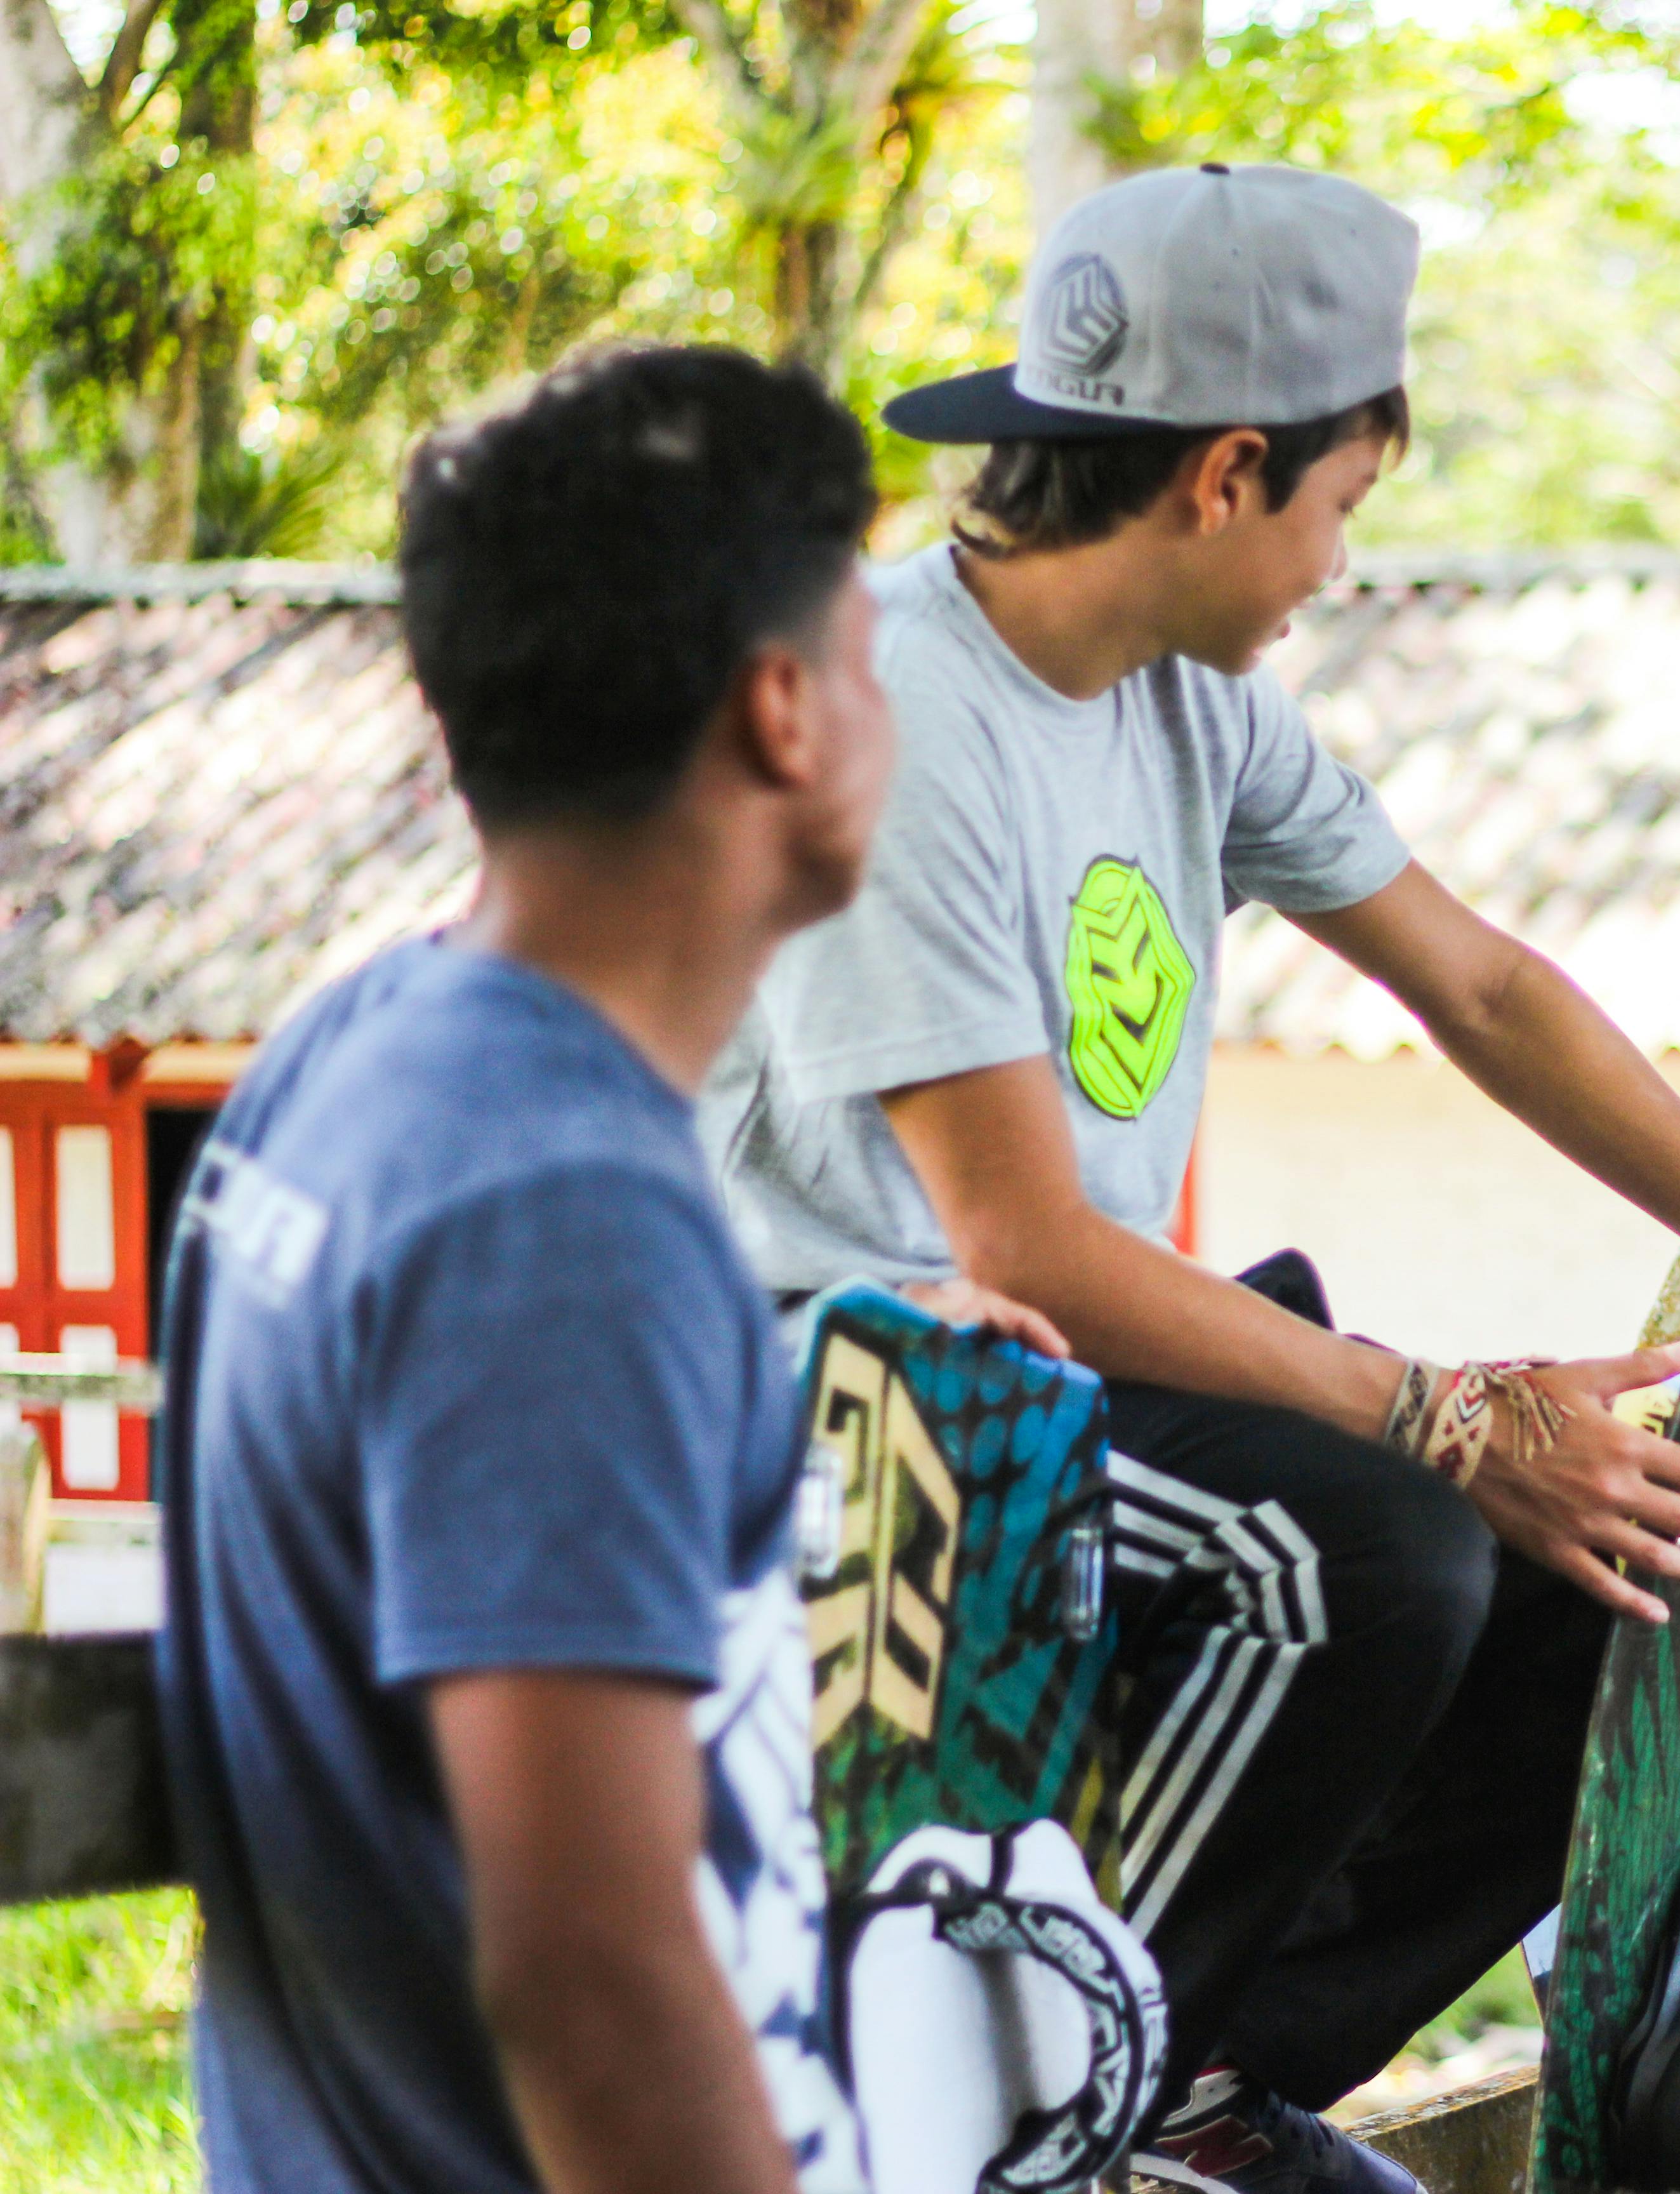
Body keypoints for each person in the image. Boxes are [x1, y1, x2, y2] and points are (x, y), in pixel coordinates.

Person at [701, 161, 1680, 2193]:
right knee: (1377, 1551)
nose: (1341, 561)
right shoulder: (897, 716)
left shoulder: (1190, 707)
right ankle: (1042, 2104)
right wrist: (1447, 1415)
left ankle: (1195, 2080)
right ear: (1228, 475)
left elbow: (1480, 983)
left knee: (1606, 1570)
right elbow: (1020, 1241)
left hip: (1053, 1361)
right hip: (835, 1372)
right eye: (1342, 506)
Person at [152, 347, 1057, 2194]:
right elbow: (594, 1983)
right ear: (786, 714)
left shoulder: (360, 1056)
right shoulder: (561, 1209)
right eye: (876, 666)